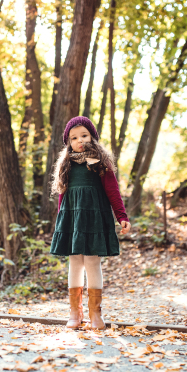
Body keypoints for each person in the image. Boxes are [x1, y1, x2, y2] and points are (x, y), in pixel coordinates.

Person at [50, 116, 131, 330]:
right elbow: (62, 195)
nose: (80, 140)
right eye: (74, 137)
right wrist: (61, 221)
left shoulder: (101, 163)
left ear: (92, 137)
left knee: (93, 262)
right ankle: (75, 313)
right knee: (75, 262)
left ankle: (96, 313)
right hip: (73, 219)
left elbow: (113, 192)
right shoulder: (66, 164)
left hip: (95, 216)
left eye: (84, 135)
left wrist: (121, 216)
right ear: (68, 142)